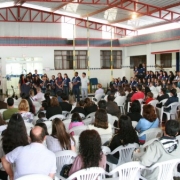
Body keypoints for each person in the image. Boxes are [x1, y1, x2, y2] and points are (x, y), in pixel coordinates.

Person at [0, 114, 29, 180]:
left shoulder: (2, 140)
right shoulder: (27, 141)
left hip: (4, 171)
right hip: (21, 172)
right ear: (23, 126)